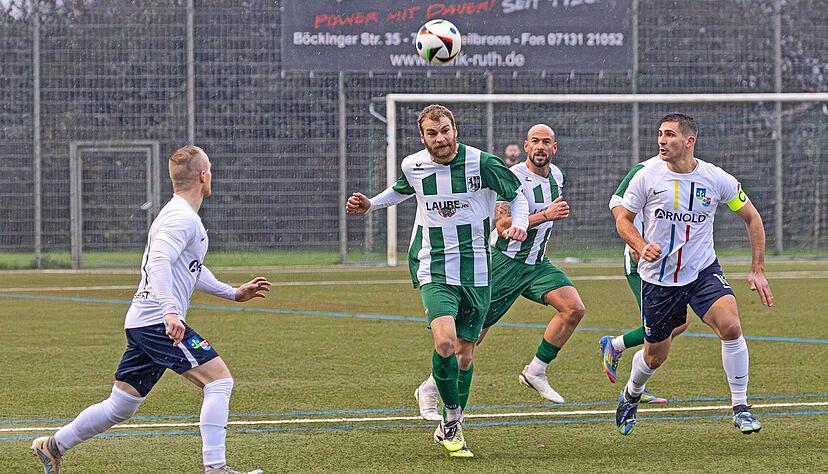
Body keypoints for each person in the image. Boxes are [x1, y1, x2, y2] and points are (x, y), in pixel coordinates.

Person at [31, 146, 270, 474]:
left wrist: (232, 292)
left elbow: (191, 267)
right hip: (158, 322)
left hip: (143, 321)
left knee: (121, 405)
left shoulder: (182, 215)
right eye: (210, 169)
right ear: (203, 176)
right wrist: (171, 312)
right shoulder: (180, 218)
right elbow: (159, 261)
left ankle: (53, 445)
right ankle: (216, 468)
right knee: (219, 381)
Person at [346, 104, 529, 458]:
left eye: (445, 131)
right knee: (445, 343)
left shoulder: (483, 163)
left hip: (477, 269)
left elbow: (516, 195)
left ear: (455, 130)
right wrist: (371, 205)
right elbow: (401, 189)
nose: (440, 139)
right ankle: (452, 416)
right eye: (432, 133)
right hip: (434, 266)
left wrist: (519, 223)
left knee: (464, 354)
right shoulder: (413, 165)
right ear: (422, 137)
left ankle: (447, 416)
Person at [613, 113, 774, 436]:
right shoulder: (647, 176)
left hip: (702, 271)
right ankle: (631, 393)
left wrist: (757, 269)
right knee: (654, 357)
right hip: (659, 279)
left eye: (670, 135)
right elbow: (623, 219)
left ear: (689, 141)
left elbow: (752, 217)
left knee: (731, 326)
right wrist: (640, 245)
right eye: (660, 134)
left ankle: (741, 408)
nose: (662, 140)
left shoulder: (715, 178)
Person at [414, 124, 587, 419]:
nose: (540, 147)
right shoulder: (513, 177)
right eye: (535, 141)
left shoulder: (557, 176)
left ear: (554, 147)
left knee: (574, 309)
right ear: (526, 146)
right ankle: (429, 388)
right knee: (469, 339)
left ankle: (536, 371)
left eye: (546, 142)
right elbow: (503, 224)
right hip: (503, 264)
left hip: (536, 265)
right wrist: (545, 215)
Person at [597, 155, 691, 405]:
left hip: (668, 266)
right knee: (663, 328)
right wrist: (635, 242)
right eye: (664, 136)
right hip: (642, 265)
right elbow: (616, 201)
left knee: (677, 324)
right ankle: (620, 355)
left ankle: (628, 368)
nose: (666, 141)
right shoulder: (646, 169)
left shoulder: (691, 172)